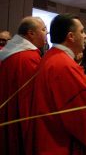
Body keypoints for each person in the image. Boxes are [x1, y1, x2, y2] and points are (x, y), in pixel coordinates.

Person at [27, 13, 86, 154]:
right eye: (81, 31)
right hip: (59, 143)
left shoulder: (52, 56)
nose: (85, 36)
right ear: (70, 36)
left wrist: (83, 86)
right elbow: (78, 116)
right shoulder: (64, 65)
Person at [0, 17, 47, 154]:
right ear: (31, 33)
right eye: (44, 29)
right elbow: (32, 100)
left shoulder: (11, 51)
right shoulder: (28, 57)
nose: (46, 34)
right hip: (20, 121)